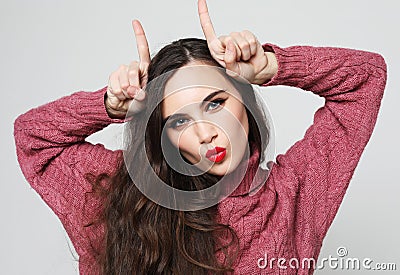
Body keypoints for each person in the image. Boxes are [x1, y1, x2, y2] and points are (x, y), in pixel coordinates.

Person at [14, 0, 387, 274]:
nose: (205, 132)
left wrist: (272, 65)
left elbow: (365, 78)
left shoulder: (297, 196)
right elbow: (33, 138)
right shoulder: (122, 195)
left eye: (214, 104)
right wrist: (109, 105)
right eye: (179, 122)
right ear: (164, 137)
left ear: (244, 100)